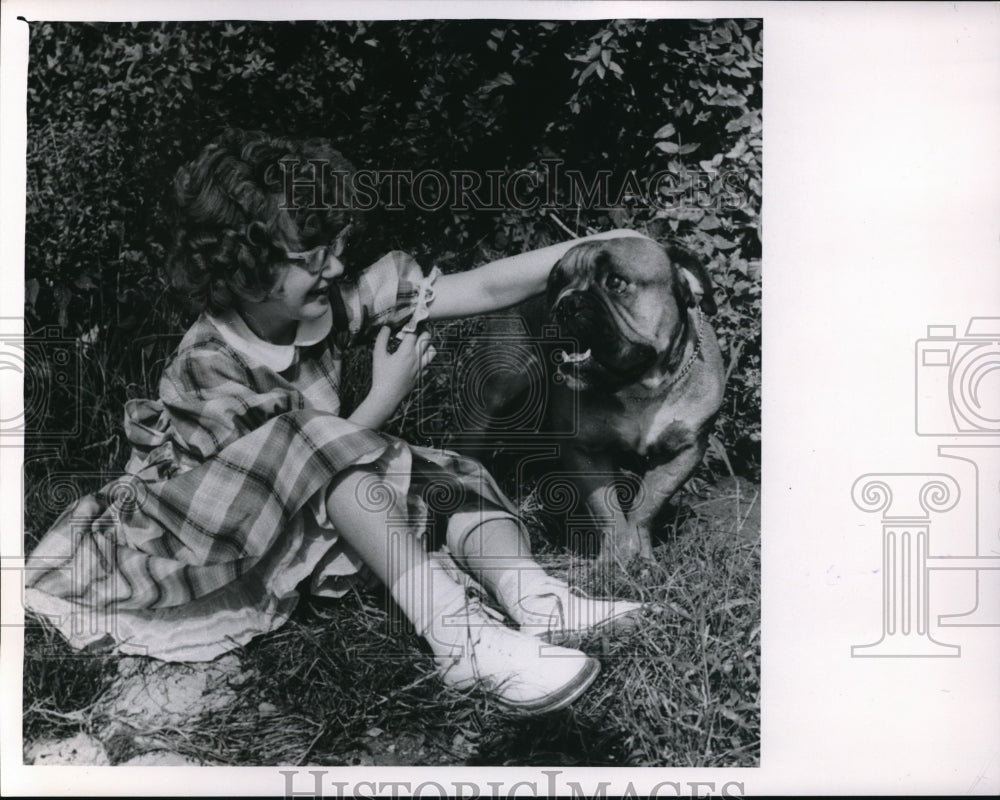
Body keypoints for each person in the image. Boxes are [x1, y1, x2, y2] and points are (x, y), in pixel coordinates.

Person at [24, 129, 643, 716]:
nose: (334, 268)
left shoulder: (323, 309)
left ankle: (533, 597)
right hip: (213, 533)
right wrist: (386, 394)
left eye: (334, 250)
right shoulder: (205, 365)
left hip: (322, 494)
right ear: (243, 270)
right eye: (310, 257)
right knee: (331, 446)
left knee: (449, 477)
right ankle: (458, 639)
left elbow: (477, 288)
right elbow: (298, 474)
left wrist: (588, 249)